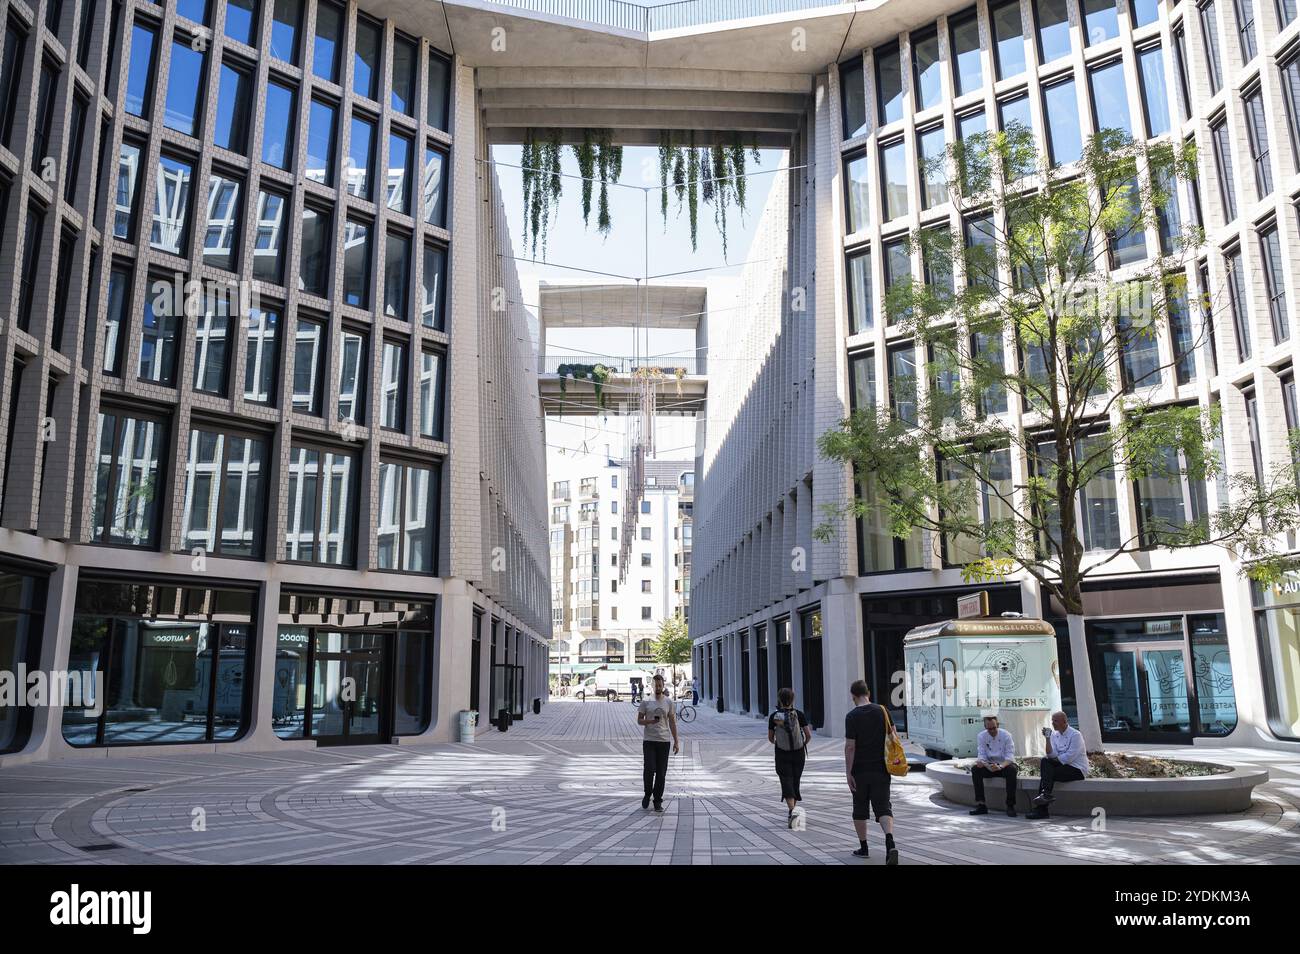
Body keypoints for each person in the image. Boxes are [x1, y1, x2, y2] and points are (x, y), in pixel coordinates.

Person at [843, 680, 899, 864]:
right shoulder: (883, 711)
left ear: (853, 696)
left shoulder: (852, 716)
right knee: (883, 807)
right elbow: (893, 736)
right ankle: (889, 841)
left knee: (859, 808)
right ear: (868, 693)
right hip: (881, 768)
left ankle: (864, 847)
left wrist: (848, 772)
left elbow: (850, 747)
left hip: (860, 770)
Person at [1027, 711, 1090, 819]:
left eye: (1055, 721)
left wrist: (1054, 760)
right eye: (1052, 721)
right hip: (1061, 767)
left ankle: (1042, 807)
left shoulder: (1075, 735)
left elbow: (1070, 757)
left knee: (1047, 775)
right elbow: (1051, 755)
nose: (1053, 723)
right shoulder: (1054, 735)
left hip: (1077, 769)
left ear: (1064, 721)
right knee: (1045, 762)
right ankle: (1044, 797)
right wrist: (1047, 738)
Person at [767, 687, 812, 827]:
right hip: (798, 753)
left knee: (786, 781)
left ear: (779, 699)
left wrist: (779, 742)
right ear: (792, 699)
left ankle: (792, 810)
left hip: (782, 753)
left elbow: (770, 738)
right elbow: (808, 735)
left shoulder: (775, 716)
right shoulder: (799, 714)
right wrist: (801, 744)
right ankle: (794, 813)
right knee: (795, 781)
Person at [637, 673, 679, 812]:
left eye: (660, 685)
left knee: (661, 773)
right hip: (649, 741)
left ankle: (657, 800)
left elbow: (672, 722)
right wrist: (650, 721)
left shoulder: (668, 702)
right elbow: (639, 720)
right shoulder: (646, 702)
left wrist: (676, 741)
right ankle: (647, 793)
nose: (658, 687)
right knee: (649, 769)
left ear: (663, 686)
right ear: (652, 686)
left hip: (664, 741)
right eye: (656, 685)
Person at [969, 715, 1018, 817]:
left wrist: (1000, 766)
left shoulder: (1006, 735)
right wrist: (982, 763)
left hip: (1004, 765)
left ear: (998, 725)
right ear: (985, 727)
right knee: (975, 769)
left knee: (1012, 770)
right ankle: (981, 804)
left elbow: (1010, 757)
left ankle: (1010, 805)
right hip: (989, 765)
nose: (992, 731)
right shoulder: (981, 736)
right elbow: (981, 754)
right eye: (989, 729)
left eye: (994, 728)